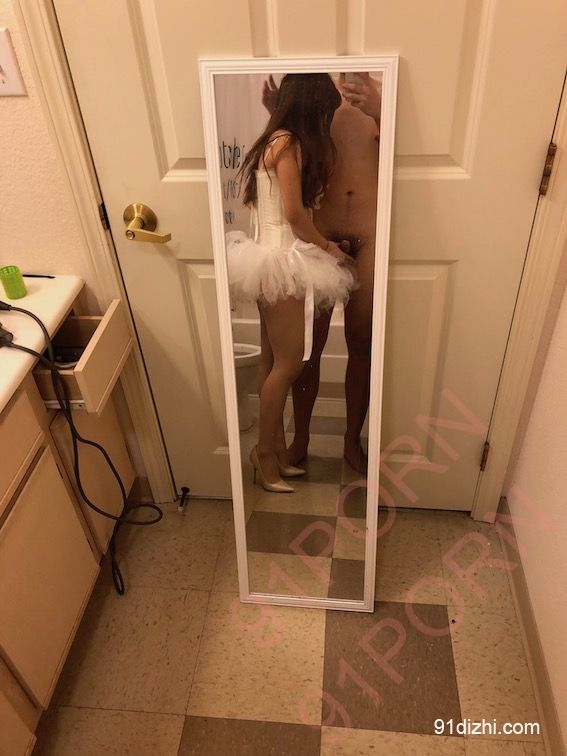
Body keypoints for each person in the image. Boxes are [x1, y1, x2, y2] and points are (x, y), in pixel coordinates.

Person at [227, 73, 357, 493]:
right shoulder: (289, 144)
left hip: (268, 259)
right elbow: (294, 215)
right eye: (324, 112)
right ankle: (265, 454)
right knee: (290, 364)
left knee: (271, 362)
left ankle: (275, 450)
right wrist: (329, 248)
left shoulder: (273, 139)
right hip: (286, 261)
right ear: (312, 106)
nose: (326, 122)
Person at [262, 72, 381, 474]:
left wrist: (380, 107)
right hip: (320, 236)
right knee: (307, 347)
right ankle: (301, 438)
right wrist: (277, 108)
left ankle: (351, 440)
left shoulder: (381, 91)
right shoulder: (318, 92)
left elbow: (408, 156)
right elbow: (287, 151)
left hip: (369, 235)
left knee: (362, 341)